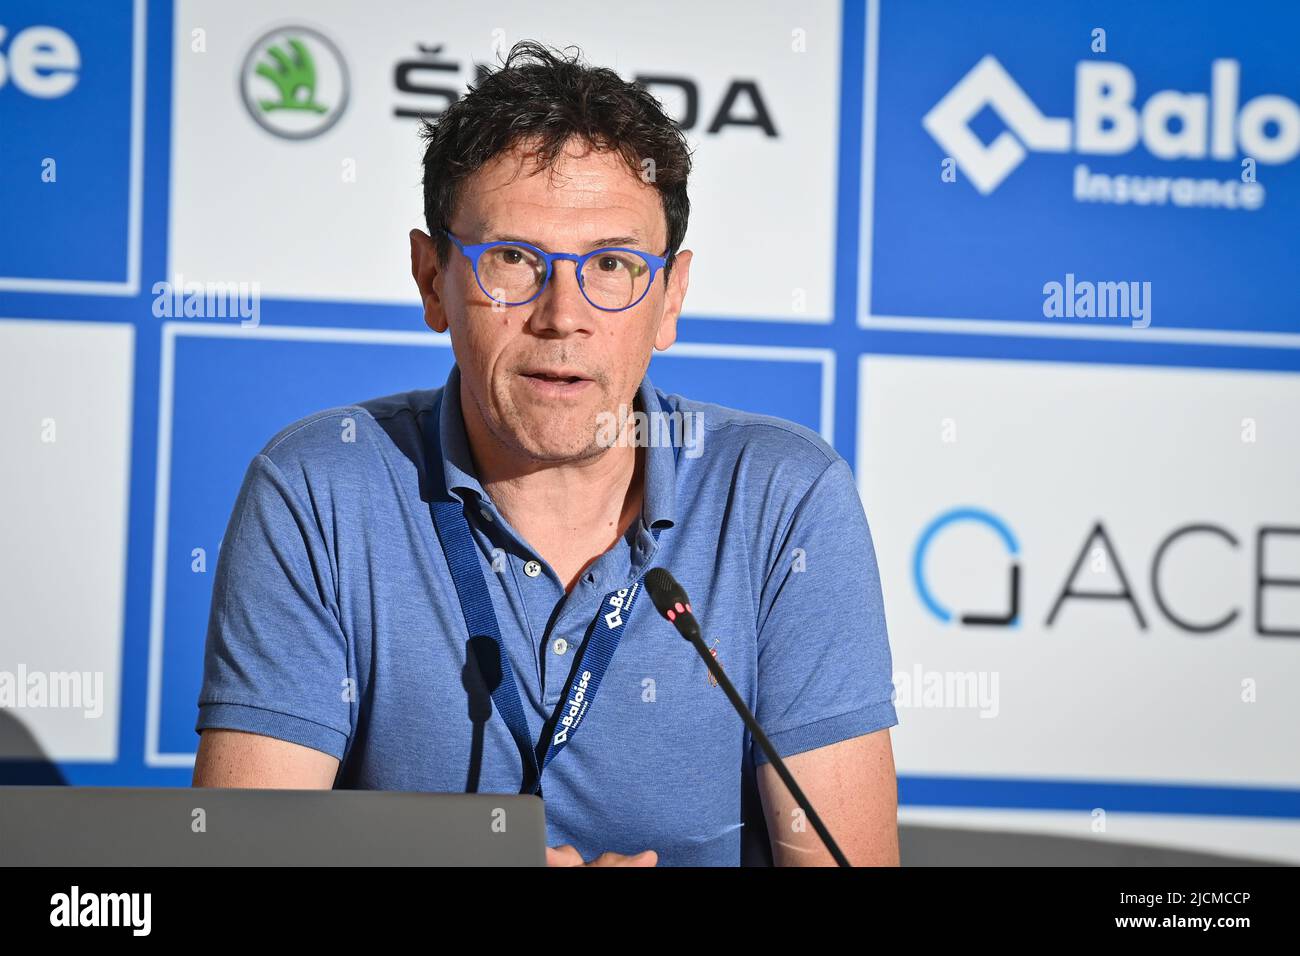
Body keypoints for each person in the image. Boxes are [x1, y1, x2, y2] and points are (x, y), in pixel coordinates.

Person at [193, 40, 899, 867]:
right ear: (432, 281)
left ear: (670, 299)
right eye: (515, 261)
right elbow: (241, 861)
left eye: (611, 265)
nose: (562, 315)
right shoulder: (317, 488)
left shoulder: (783, 498)